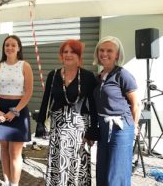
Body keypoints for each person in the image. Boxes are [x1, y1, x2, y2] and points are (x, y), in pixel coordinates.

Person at [35, 39, 98, 186]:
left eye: (73, 52)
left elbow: (93, 105)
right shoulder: (54, 75)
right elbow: (46, 100)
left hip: (79, 127)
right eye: (65, 52)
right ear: (61, 55)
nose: (68, 55)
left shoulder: (88, 76)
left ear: (79, 56)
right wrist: (40, 123)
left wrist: (93, 130)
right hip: (58, 126)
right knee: (58, 162)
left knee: (77, 163)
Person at [93, 36, 140, 186]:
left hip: (121, 127)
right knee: (102, 169)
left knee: (117, 173)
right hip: (103, 126)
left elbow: (136, 104)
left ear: (117, 55)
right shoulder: (99, 76)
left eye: (109, 51)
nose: (104, 54)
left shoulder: (122, 75)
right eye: (101, 50)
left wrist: (134, 126)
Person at [0, 35, 33, 186]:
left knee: (15, 152)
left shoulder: (25, 65)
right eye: (7, 45)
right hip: (0, 107)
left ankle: (14, 183)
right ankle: (6, 180)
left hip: (19, 109)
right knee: (4, 148)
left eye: (13, 45)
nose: (9, 48)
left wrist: (14, 111)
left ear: (19, 48)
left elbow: (28, 92)